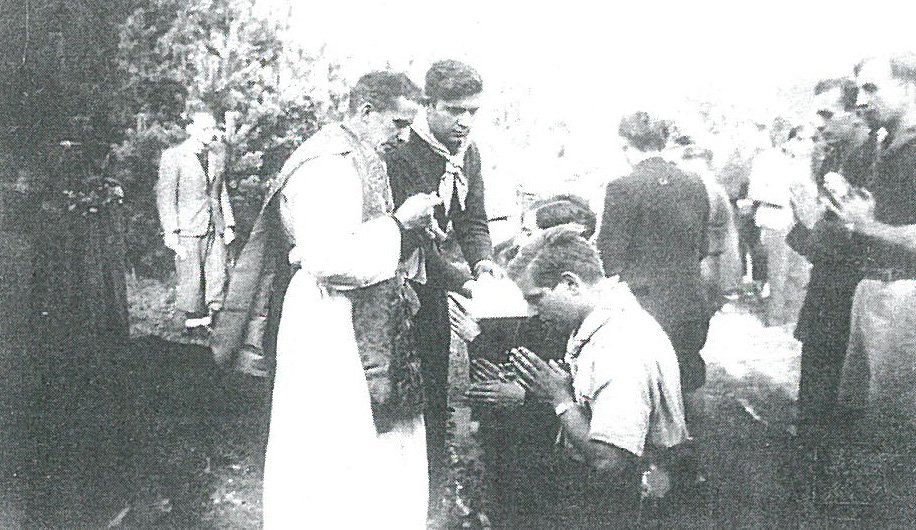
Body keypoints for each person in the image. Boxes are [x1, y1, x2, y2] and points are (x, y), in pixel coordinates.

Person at [226, 71, 436, 528]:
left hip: (362, 313)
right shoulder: (329, 165)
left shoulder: (357, 154)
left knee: (371, 442)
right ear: (365, 112)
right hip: (331, 318)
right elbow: (330, 259)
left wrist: (409, 234)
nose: (403, 137)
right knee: (337, 439)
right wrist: (400, 227)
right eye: (397, 124)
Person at [506, 225, 690, 527]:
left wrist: (559, 397)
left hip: (625, 507)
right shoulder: (604, 325)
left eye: (536, 299)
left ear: (570, 284)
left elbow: (609, 462)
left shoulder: (619, 347)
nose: (530, 312)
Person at [386, 59, 504, 513]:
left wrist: (484, 264)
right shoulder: (399, 152)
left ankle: (434, 489)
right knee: (396, 382)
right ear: (427, 106)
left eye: (473, 111)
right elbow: (418, 238)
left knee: (435, 384)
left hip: (433, 287)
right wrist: (464, 281)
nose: (465, 121)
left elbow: (472, 220)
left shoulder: (467, 151)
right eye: (455, 110)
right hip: (395, 283)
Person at [596, 111, 710, 430]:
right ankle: (695, 462)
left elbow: (609, 257)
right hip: (690, 300)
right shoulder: (694, 182)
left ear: (625, 145)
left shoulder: (623, 186)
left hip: (646, 306)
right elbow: (701, 246)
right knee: (689, 375)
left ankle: (651, 472)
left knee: (646, 389)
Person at [836, 54, 916, 445]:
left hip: (905, 295)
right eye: (857, 90)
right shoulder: (883, 146)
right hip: (871, 289)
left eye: (872, 88)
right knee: (862, 416)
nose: (859, 101)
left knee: (896, 423)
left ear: (908, 86)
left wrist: (866, 225)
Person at [789, 78, 873, 441]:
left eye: (827, 113)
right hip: (829, 282)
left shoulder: (868, 158)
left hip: (849, 288)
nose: (818, 123)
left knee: (838, 386)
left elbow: (852, 235)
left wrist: (809, 223)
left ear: (855, 114)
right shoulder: (838, 155)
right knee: (819, 367)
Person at [156, 110, 235, 333]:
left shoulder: (216, 155)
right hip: (188, 229)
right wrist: (170, 232)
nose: (211, 134)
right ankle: (190, 328)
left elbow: (221, 191)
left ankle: (214, 323)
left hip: (215, 226)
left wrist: (228, 224)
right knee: (191, 280)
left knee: (217, 275)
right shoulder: (174, 157)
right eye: (205, 129)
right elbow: (166, 196)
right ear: (191, 130)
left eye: (213, 128)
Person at [746, 122, 815, 326]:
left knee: (799, 272)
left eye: (810, 139)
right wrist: (787, 196)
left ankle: (794, 318)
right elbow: (755, 191)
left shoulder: (805, 161)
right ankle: (775, 319)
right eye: (800, 139)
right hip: (777, 219)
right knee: (778, 272)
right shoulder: (766, 159)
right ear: (788, 139)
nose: (806, 144)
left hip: (801, 220)